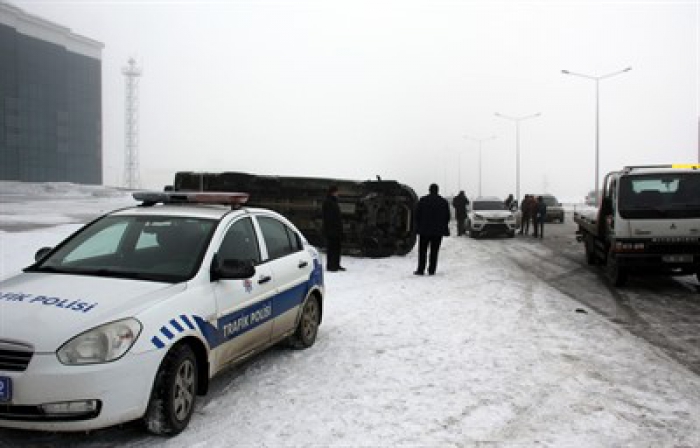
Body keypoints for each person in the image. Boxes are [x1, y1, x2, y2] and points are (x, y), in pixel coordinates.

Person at [414, 183, 451, 276]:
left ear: (429, 190)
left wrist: (419, 226)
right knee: (434, 251)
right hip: (437, 231)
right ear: (438, 190)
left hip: (424, 230)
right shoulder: (443, 202)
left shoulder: (423, 200)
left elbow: (417, 215)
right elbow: (447, 216)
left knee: (422, 251)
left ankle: (421, 269)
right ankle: (432, 270)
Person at [322, 185, 345, 271]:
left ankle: (336, 264)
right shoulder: (328, 202)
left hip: (336, 229)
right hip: (332, 230)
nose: (338, 193)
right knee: (332, 248)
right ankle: (331, 266)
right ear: (333, 192)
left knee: (337, 248)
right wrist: (332, 228)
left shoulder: (333, 202)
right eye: (336, 192)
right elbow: (329, 218)